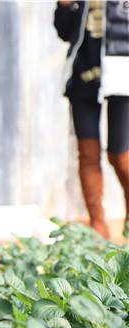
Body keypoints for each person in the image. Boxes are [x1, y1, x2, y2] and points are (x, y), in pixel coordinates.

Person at [54, 1, 129, 240]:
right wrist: (65, 6)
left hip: (122, 76)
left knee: (120, 155)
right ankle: (98, 226)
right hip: (84, 75)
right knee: (87, 153)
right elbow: (64, 32)